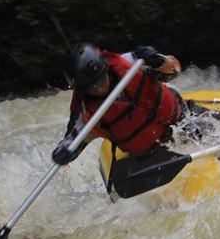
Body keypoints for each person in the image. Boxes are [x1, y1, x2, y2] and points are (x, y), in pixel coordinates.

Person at [51, 43, 184, 164]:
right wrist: (62, 154)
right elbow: (71, 142)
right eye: (90, 87)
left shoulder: (131, 62)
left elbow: (175, 70)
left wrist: (158, 61)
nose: (98, 88)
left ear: (105, 69)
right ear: (82, 89)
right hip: (149, 154)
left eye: (100, 81)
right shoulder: (87, 113)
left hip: (183, 121)